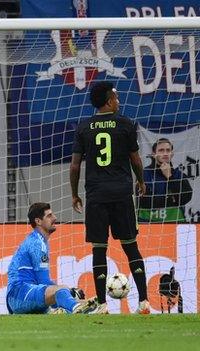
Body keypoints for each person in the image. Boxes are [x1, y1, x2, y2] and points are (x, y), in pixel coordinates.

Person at [69, 81, 150, 314]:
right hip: (122, 193)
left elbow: (75, 166)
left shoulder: (84, 127)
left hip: (96, 195)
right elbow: (135, 159)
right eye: (115, 97)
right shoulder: (125, 124)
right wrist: (141, 180)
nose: (118, 100)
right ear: (108, 101)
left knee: (98, 249)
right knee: (131, 247)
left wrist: (74, 194)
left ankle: (103, 305)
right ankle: (144, 302)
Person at [6, 203, 96, 314]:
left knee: (63, 307)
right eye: (49, 216)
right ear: (38, 221)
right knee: (60, 290)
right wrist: (68, 291)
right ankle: (77, 307)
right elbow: (43, 282)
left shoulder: (39, 240)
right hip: (20, 295)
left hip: (24, 295)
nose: (55, 218)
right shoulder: (37, 244)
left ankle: (83, 307)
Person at [137, 138, 192, 223]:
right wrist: (171, 199)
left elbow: (185, 199)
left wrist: (170, 177)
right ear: (154, 154)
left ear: (172, 154)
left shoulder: (179, 175)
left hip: (174, 222)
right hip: (146, 222)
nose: (165, 153)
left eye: (168, 150)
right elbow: (142, 200)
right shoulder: (144, 174)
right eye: (161, 150)